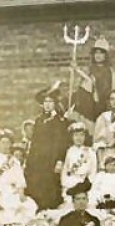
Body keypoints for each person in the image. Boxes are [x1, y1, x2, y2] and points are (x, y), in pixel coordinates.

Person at [24, 81, 72, 211]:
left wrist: (60, 160)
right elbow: (35, 143)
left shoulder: (60, 121)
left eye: (50, 102)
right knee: (38, 188)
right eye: (45, 102)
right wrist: (30, 162)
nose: (48, 105)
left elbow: (63, 143)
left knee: (52, 188)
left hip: (52, 160)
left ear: (55, 104)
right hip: (39, 162)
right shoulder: (39, 120)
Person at [0, 128, 37, 223]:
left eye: (8, 143)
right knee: (8, 207)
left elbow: (20, 180)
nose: (5, 146)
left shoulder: (14, 161)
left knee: (30, 205)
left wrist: (21, 192)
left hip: (12, 190)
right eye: (3, 143)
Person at [71, 35, 115, 131]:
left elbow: (112, 89)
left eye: (101, 53)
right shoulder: (90, 69)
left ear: (105, 55)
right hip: (90, 105)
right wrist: (76, 70)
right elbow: (87, 82)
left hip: (103, 105)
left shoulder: (109, 71)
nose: (98, 56)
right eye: (96, 53)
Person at [61, 122, 97, 205]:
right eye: (76, 135)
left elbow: (93, 170)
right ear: (72, 137)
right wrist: (66, 184)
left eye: (81, 135)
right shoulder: (69, 151)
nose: (79, 138)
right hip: (71, 183)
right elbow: (65, 170)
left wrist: (88, 184)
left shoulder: (90, 151)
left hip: (85, 183)